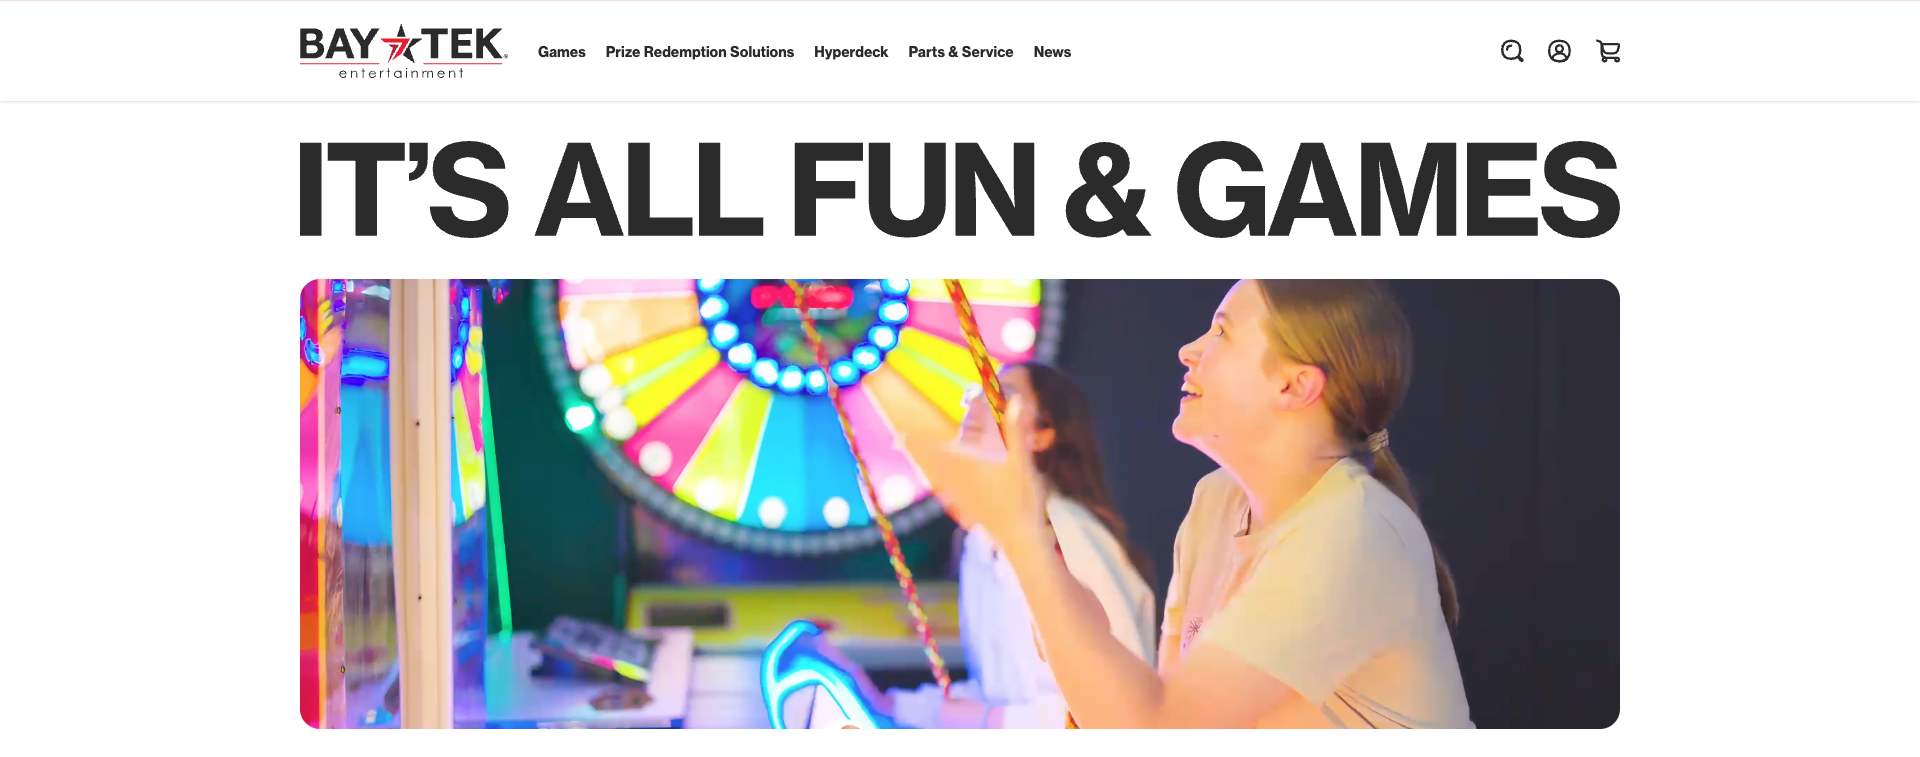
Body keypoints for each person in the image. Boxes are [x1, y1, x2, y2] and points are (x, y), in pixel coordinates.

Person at [905, 280, 1473, 728]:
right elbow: (1142, 715)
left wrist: (1022, 537)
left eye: (1221, 333)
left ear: (1295, 386)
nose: (1187, 350)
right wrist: (1023, 536)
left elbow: (1158, 729)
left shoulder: (1353, 534)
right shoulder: (1217, 502)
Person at [814, 363, 1158, 729]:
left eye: (1001, 394)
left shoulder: (1069, 530)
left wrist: (985, 719)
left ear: (1042, 434)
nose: (975, 404)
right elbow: (993, 694)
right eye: (973, 393)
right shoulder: (979, 544)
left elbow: (1121, 707)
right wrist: (872, 695)